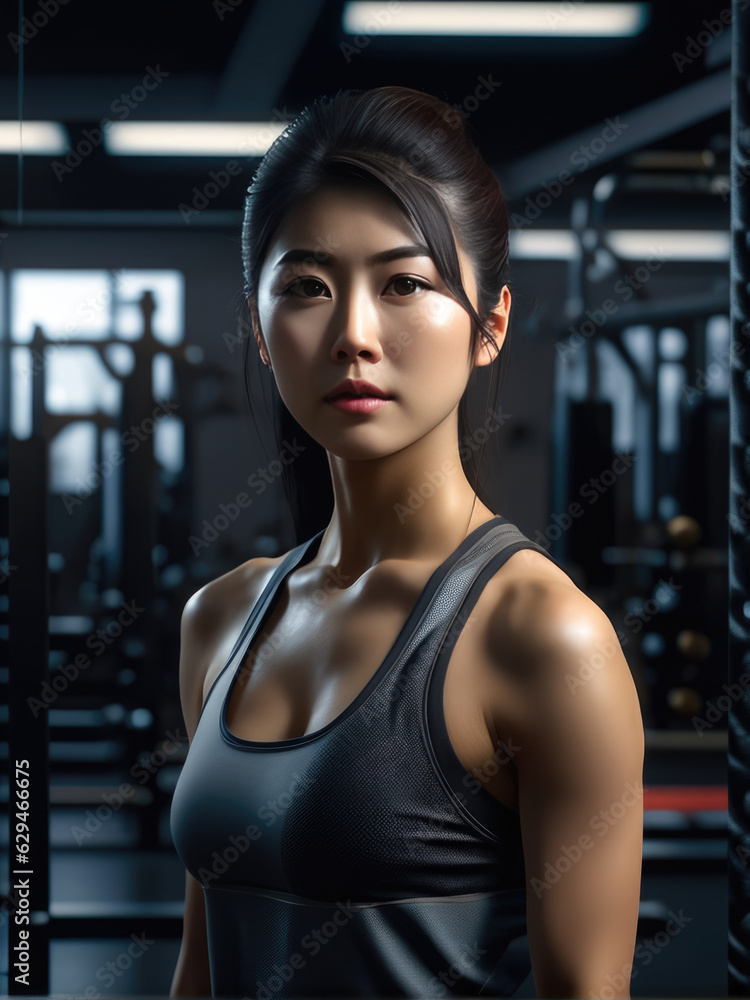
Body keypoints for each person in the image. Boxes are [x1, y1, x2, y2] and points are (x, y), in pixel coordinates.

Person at [169, 85, 644, 999]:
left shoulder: (544, 639)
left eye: (405, 284)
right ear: (260, 333)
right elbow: (203, 972)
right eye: (307, 287)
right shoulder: (219, 619)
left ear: (490, 325)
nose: (352, 334)